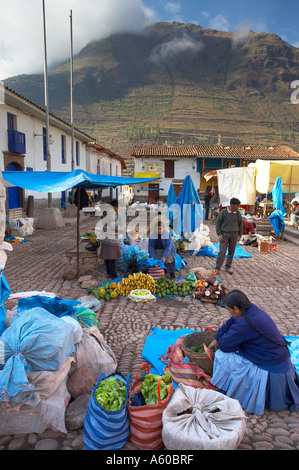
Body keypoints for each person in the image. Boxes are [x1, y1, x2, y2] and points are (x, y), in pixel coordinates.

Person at [208, 289, 299, 415]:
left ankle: (232, 386)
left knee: (222, 356)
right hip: (280, 358)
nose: (229, 313)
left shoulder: (246, 323)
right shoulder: (252, 310)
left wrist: (220, 340)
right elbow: (231, 321)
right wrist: (217, 337)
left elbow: (224, 346)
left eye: (229, 310)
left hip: (272, 365)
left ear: (236, 308)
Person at [215, 197, 242, 275]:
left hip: (234, 234)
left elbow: (240, 225)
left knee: (231, 252)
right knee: (222, 252)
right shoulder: (223, 212)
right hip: (225, 234)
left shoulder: (238, 213)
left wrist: (239, 235)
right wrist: (219, 234)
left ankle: (228, 267)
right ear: (231, 204)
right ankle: (217, 268)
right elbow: (218, 224)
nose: (237, 207)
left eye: (238, 206)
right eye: (236, 206)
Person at [98, 200, 121, 279]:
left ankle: (109, 273)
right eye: (118, 208)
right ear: (115, 207)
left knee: (108, 257)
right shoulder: (112, 214)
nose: (118, 210)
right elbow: (114, 227)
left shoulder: (107, 212)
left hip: (106, 238)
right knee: (112, 257)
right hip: (111, 239)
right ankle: (113, 274)